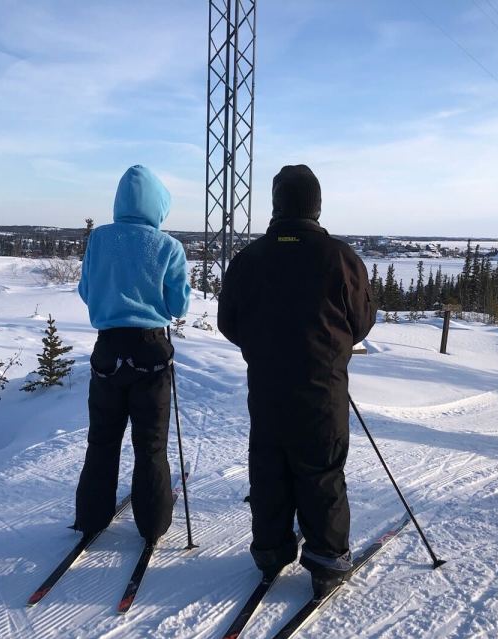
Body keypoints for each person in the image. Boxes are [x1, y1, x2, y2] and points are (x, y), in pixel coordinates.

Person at [217, 164, 376, 599]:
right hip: (322, 387)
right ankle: (326, 559)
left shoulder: (250, 259)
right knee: (321, 468)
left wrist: (266, 347)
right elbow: (361, 321)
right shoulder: (341, 258)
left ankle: (270, 550)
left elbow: (227, 322)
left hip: (267, 386)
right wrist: (331, 344)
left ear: (277, 204)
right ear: (316, 204)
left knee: (269, 465)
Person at [75, 165, 191, 544]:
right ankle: (153, 524)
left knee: (102, 440)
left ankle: (92, 518)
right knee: (151, 444)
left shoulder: (99, 240)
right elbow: (179, 305)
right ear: (158, 206)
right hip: (151, 350)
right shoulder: (168, 247)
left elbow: (87, 291)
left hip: (107, 349)